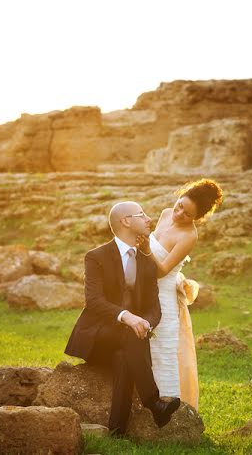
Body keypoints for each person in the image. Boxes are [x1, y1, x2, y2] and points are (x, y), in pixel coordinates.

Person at [64, 201, 180, 434]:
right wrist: (127, 317)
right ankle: (153, 402)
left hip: (128, 341)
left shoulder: (147, 263)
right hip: (98, 338)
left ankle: (116, 431)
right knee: (129, 336)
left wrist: (146, 322)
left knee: (124, 356)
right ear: (125, 221)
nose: (149, 219)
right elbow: (93, 301)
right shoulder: (96, 256)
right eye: (142, 214)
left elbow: (154, 308)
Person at [137, 179, 223, 411]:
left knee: (161, 352)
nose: (178, 213)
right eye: (179, 205)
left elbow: (162, 269)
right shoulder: (166, 214)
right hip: (143, 292)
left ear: (197, 218)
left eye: (187, 214)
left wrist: (145, 251)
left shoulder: (189, 237)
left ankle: (166, 409)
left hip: (162, 298)